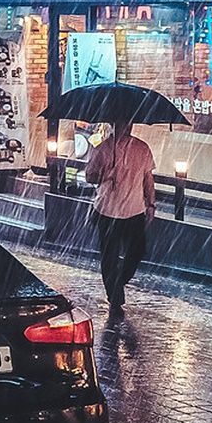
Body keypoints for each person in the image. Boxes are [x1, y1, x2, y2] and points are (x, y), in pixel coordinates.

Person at [84, 118, 156, 316]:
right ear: (114, 125)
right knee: (109, 255)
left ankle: (119, 281)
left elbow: (148, 178)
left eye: (129, 123)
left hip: (134, 209)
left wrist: (151, 203)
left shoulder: (142, 148)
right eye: (122, 123)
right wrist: (105, 174)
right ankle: (115, 295)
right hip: (107, 209)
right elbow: (89, 176)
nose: (125, 127)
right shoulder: (103, 148)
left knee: (137, 251)